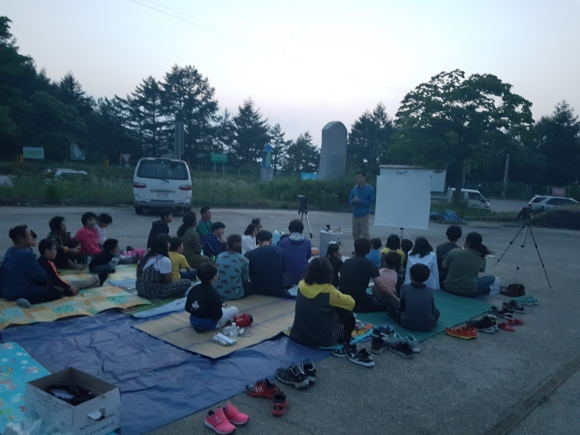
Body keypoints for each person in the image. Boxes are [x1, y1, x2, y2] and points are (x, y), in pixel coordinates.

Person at [289, 257, 355, 347]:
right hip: (322, 339)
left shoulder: (301, 285)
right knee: (343, 309)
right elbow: (351, 303)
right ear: (328, 273)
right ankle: (345, 338)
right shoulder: (329, 291)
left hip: (297, 335)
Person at [0, 225, 67, 305]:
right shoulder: (26, 254)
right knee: (56, 291)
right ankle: (26, 299)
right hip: (18, 292)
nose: (32, 237)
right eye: (29, 235)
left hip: (5, 290)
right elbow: (41, 276)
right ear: (20, 238)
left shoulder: (10, 250)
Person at [340, 238, 399, 313]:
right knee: (390, 301)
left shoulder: (346, 262)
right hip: (359, 303)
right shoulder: (370, 264)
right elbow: (382, 288)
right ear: (369, 250)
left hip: (343, 300)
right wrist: (396, 298)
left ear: (355, 249)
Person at [185, 262, 239, 332]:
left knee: (222, 308)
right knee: (234, 309)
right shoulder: (213, 293)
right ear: (214, 277)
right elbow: (218, 315)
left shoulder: (193, 289)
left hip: (193, 321)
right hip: (210, 323)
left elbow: (187, 308)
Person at [136, 234, 192, 299]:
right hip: (154, 292)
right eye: (168, 242)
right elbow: (168, 280)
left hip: (140, 289)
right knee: (186, 282)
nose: (169, 244)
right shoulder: (164, 260)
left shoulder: (147, 255)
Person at [442, 232, 495, 297]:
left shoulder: (454, 251)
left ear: (466, 242)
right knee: (491, 278)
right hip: (469, 291)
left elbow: (444, 266)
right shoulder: (480, 257)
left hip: (448, 288)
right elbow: (481, 270)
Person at [396, 264, 440, 332]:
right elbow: (432, 309)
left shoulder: (405, 288)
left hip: (407, 323)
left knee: (393, 311)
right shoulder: (429, 290)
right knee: (437, 312)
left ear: (411, 275)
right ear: (427, 277)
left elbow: (401, 306)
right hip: (428, 325)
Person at [247, 230, 288, 298]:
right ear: (270, 240)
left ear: (258, 241)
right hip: (277, 287)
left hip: (259, 288)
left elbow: (251, 272)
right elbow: (284, 268)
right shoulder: (280, 250)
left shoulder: (252, 253)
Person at [215, 234, 252, 301]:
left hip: (216, 293)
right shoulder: (244, 260)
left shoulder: (219, 256)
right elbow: (245, 279)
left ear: (227, 245)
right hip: (235, 294)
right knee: (252, 285)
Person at [278, 219, 312, 286]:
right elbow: (308, 256)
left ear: (289, 230)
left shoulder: (283, 242)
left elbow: (279, 258)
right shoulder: (307, 242)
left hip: (286, 277)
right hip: (303, 276)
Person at [349, 171, 375, 240]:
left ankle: (367, 246)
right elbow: (350, 200)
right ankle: (357, 246)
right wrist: (353, 200)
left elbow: (370, 202)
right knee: (355, 233)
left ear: (364, 178)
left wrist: (360, 201)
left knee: (365, 233)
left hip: (364, 215)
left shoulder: (370, 189)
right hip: (355, 214)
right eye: (357, 177)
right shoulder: (354, 188)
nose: (358, 179)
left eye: (359, 177)